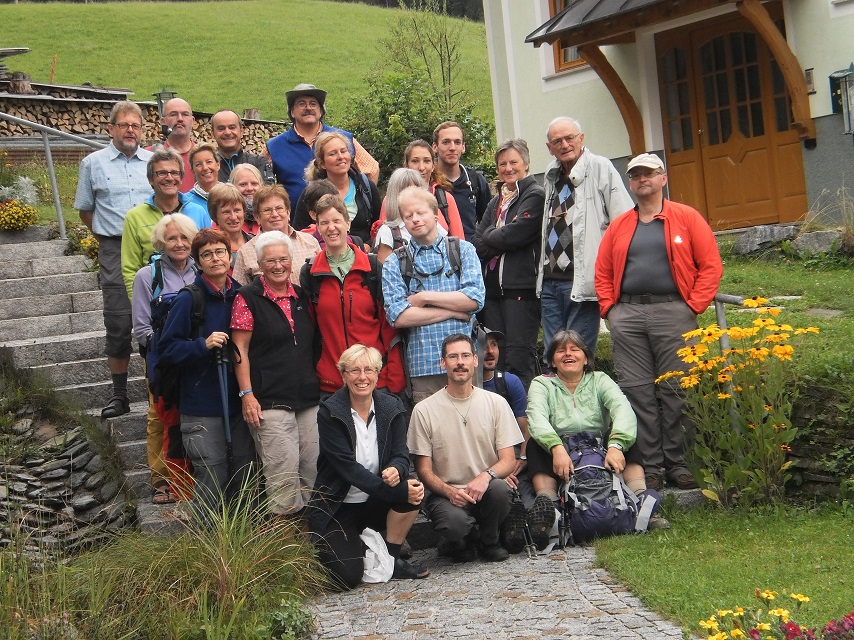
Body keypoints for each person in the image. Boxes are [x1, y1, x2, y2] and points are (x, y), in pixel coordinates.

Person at [595, 153, 723, 491]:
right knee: (638, 393)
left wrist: (692, 306)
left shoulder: (687, 218)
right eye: (635, 175)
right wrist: (610, 309)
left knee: (677, 390)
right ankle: (650, 466)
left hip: (673, 313)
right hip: (629, 315)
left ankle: (679, 463)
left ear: (663, 178)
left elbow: (710, 265)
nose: (642, 180)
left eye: (649, 174)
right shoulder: (620, 225)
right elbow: (603, 271)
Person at [310, 344, 429, 589]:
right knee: (347, 578)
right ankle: (359, 546)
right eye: (354, 371)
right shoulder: (330, 412)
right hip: (338, 506)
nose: (362, 377)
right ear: (343, 376)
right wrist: (394, 490)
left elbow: (401, 454)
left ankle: (392, 559)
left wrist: (397, 468)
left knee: (413, 490)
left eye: (368, 370)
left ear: (377, 374)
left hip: (375, 502)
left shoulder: (391, 406)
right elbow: (348, 470)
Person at [158, 228, 256, 519]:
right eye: (207, 254)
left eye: (220, 252)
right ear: (197, 262)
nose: (215, 259)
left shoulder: (241, 294)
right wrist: (201, 345)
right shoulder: (190, 299)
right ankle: (205, 547)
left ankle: (244, 543)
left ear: (230, 255)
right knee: (212, 476)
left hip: (238, 403)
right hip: (201, 405)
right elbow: (167, 349)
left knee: (244, 471)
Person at [525, 330, 647, 549]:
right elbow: (537, 418)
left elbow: (623, 410)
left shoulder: (600, 379)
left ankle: (641, 503)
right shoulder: (541, 384)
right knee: (535, 444)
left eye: (574, 349)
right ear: (552, 360)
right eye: (561, 350)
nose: (568, 354)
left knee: (626, 435)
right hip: (561, 448)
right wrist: (556, 448)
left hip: (598, 446)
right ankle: (549, 511)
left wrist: (616, 446)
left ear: (586, 357)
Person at [408, 334, 523, 563]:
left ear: (475, 361)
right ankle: (462, 539)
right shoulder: (423, 410)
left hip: (486, 489)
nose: (459, 362)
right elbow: (423, 470)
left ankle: (490, 540)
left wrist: (485, 476)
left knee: (500, 490)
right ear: (443, 363)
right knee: (454, 526)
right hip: (447, 494)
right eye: (453, 357)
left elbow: (509, 459)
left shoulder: (496, 403)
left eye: (465, 356)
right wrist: (449, 492)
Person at [231, 231, 320, 516]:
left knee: (314, 473)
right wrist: (247, 395)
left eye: (283, 259)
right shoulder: (247, 298)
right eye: (271, 260)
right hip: (269, 402)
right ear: (259, 264)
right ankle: (287, 553)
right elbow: (239, 350)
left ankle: (313, 548)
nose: (278, 265)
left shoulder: (302, 296)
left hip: (308, 399)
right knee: (282, 480)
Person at [74, 100, 153, 419]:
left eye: (136, 125)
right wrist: (107, 239)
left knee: (158, 320)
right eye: (124, 125)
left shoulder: (154, 160)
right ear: (111, 129)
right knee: (119, 322)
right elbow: (84, 209)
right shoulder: (93, 163)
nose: (130, 130)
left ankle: (158, 391)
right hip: (114, 247)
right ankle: (120, 395)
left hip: (153, 247)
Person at [537, 117, 635, 357]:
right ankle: (557, 395)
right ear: (549, 147)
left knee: (576, 353)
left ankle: (580, 395)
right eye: (557, 141)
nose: (564, 145)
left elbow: (624, 220)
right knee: (553, 354)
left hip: (582, 278)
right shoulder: (551, 176)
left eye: (569, 138)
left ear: (581, 138)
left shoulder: (600, 167)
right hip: (550, 280)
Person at [382, 186, 485, 403]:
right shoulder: (395, 262)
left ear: (436, 214)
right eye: (408, 216)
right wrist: (456, 312)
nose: (415, 219)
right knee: (432, 433)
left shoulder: (463, 250)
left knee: (473, 429)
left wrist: (424, 298)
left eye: (421, 213)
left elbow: (475, 299)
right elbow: (398, 317)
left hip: (464, 362)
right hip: (423, 366)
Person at [300, 194, 405, 398]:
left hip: (374, 379)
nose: (331, 227)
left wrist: (393, 381)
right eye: (324, 223)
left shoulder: (372, 269)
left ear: (347, 224)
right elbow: (311, 332)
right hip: (331, 383)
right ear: (317, 228)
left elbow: (388, 327)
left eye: (337, 221)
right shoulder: (311, 274)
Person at [131, 213, 199, 504]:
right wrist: (162, 357)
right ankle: (161, 480)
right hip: (162, 358)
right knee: (160, 417)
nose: (179, 243)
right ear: (161, 242)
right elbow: (142, 326)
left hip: (196, 354)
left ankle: (192, 476)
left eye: (184, 237)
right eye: (172, 238)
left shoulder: (201, 268)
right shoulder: (148, 275)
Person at [473, 139, 545, 389]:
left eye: (513, 162)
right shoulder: (497, 200)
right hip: (492, 292)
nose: (508, 168)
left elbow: (518, 233)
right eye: (502, 163)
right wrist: (498, 236)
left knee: (518, 357)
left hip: (520, 290)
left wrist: (493, 235)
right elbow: (476, 241)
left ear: (526, 163)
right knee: (495, 359)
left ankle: (522, 420)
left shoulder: (534, 194)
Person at [266, 83, 379, 207]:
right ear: (292, 112)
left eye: (313, 103)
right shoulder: (274, 146)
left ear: (321, 111)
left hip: (340, 222)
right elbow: (259, 182)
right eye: (301, 103)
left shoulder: (342, 138)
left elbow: (372, 169)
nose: (308, 107)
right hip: (296, 223)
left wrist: (362, 204)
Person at [121, 147, 210, 298]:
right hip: (155, 298)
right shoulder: (135, 217)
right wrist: (139, 304)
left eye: (175, 173)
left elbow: (208, 253)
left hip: (198, 297)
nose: (169, 178)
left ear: (181, 178)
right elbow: (130, 269)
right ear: (150, 179)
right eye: (161, 173)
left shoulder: (199, 211)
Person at [292, 131, 380, 247]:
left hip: (363, 257)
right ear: (322, 163)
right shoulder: (312, 194)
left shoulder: (366, 187)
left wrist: (368, 245)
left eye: (343, 151)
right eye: (333, 154)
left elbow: (378, 226)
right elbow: (299, 234)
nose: (340, 157)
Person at [481, 329, 533, 509]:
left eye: (494, 345)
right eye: (483, 345)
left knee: (522, 482)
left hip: (511, 453)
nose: (490, 351)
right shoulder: (463, 388)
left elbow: (526, 428)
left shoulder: (509, 382)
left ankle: (528, 516)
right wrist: (498, 469)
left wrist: (522, 458)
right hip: (478, 459)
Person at [231, 184, 320, 286]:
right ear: (257, 217)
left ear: (288, 212)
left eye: (279, 208)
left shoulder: (310, 242)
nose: (274, 214)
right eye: (267, 210)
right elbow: (239, 294)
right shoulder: (245, 252)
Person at [432, 121, 491, 241]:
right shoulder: (428, 182)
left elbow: (489, 224)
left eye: (457, 142)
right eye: (446, 142)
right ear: (435, 147)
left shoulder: (476, 181)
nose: (452, 148)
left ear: (463, 147)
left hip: (471, 254)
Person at [403, 139, 464, 238]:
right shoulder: (392, 199)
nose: (421, 167)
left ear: (433, 166)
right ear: (406, 166)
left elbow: (460, 243)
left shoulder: (446, 199)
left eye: (426, 161)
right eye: (415, 161)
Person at [373, 168, 427, 262]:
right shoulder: (387, 232)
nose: (412, 197)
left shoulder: (432, 224)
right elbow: (385, 273)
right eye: (406, 192)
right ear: (395, 196)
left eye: (416, 191)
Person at [210, 109, 274, 185]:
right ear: (213, 134)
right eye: (221, 129)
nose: (227, 132)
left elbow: (267, 194)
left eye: (232, 127)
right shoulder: (209, 168)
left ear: (241, 131)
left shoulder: (259, 163)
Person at [150, 97, 196, 192]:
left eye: (185, 114)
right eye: (173, 114)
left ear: (193, 120)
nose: (180, 119)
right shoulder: (150, 155)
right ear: (163, 121)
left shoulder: (203, 156)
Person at [207, 183, 252, 267]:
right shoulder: (209, 249)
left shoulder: (256, 243)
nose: (233, 217)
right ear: (215, 214)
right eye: (226, 212)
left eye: (237, 210)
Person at [184, 142, 222, 211]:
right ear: (192, 170)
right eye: (198, 164)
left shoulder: (231, 195)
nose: (205, 168)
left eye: (209, 162)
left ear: (218, 165)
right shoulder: (185, 201)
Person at [228, 163, 263, 234]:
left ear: (261, 185)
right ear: (232, 187)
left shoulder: (272, 214)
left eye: (254, 183)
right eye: (243, 184)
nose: (250, 188)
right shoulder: (226, 217)